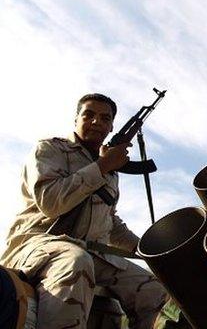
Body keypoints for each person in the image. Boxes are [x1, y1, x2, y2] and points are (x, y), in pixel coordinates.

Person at [0, 93, 167, 328]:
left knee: (154, 290)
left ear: (111, 127)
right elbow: (51, 202)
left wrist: (150, 251)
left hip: (91, 253)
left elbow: (111, 223)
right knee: (75, 262)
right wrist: (103, 165)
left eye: (105, 118)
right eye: (89, 115)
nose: (97, 122)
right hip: (36, 245)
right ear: (76, 119)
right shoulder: (51, 149)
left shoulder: (110, 171)